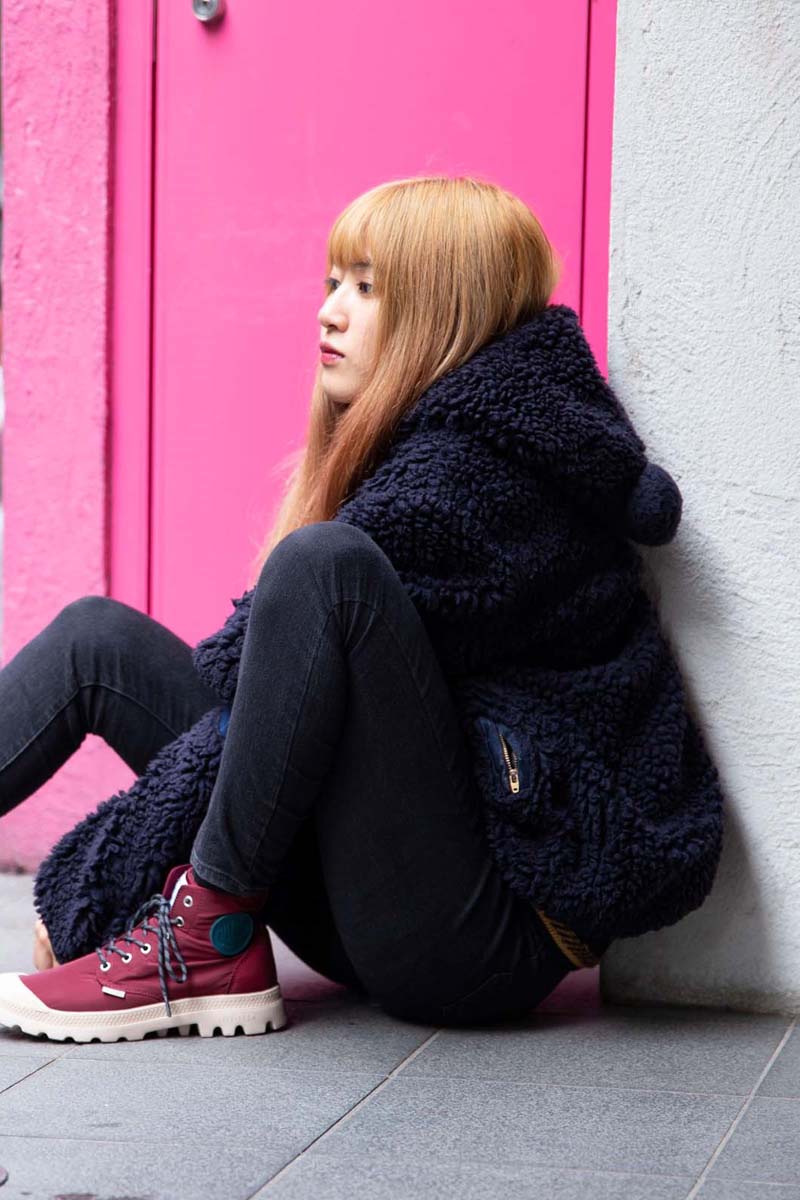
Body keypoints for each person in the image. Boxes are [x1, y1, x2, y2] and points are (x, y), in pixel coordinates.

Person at [0, 175, 706, 1044]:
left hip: (483, 936)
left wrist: (99, 882)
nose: (329, 312)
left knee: (320, 566)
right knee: (96, 640)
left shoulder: (481, 477)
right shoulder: (438, 438)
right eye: (334, 281)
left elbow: (243, 711)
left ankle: (206, 938)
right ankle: (210, 930)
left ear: (445, 308)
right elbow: (269, 713)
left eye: (366, 289)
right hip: (382, 886)